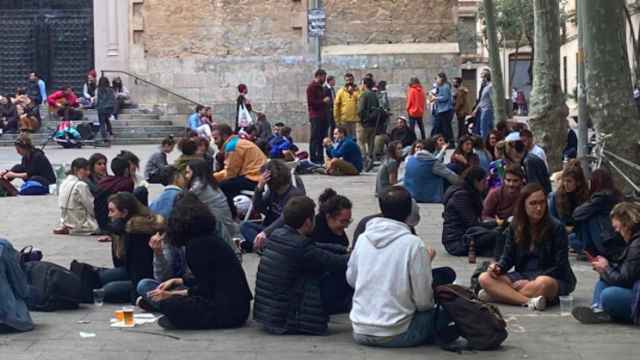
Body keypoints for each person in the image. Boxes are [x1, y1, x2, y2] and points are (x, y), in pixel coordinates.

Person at [348, 186, 457, 348]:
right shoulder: (413, 244)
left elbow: (351, 279)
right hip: (396, 333)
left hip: (359, 329)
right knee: (452, 306)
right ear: (410, 211)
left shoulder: (364, 238)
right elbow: (423, 302)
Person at [145, 193, 252, 330]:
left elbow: (204, 289)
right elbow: (208, 279)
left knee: (169, 304)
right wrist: (179, 281)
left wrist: (171, 295)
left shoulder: (196, 247)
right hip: (235, 304)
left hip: (228, 310)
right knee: (161, 296)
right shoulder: (208, 238)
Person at [253, 196, 351, 335]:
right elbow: (334, 261)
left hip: (268, 313)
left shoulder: (277, 234)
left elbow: (317, 247)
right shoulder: (301, 246)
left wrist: (340, 249)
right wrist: (359, 255)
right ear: (307, 222)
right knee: (339, 273)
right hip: (286, 317)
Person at [478, 183, 577, 311]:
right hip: (521, 275)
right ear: (523, 205)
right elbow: (508, 258)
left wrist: (530, 281)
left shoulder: (556, 228)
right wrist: (498, 268)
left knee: (542, 283)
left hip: (552, 277)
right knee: (484, 278)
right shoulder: (515, 225)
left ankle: (499, 295)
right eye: (533, 203)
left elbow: (560, 266)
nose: (539, 208)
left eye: (542, 203)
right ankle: (529, 301)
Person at [572, 202, 640, 324]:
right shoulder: (634, 241)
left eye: (617, 227)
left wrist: (606, 268)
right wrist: (606, 268)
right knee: (603, 282)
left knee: (608, 295)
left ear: (627, 223)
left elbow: (625, 279)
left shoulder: (637, 244)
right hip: (634, 287)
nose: (617, 231)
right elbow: (629, 271)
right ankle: (598, 310)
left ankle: (602, 310)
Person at [96, 192, 164, 303]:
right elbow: (119, 262)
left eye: (112, 211)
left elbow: (141, 269)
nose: (109, 215)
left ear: (124, 213)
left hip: (144, 277)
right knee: (98, 278)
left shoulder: (137, 232)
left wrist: (135, 296)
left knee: (106, 290)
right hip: (130, 270)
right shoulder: (123, 228)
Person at [240, 159, 306, 252]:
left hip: (284, 230)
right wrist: (259, 188)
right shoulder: (272, 190)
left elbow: (284, 218)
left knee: (282, 237)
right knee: (244, 225)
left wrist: (265, 233)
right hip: (269, 228)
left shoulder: (295, 194)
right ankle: (264, 246)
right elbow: (258, 208)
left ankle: (260, 246)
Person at [213, 124, 267, 215]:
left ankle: (232, 215)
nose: (214, 142)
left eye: (216, 138)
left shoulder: (232, 146)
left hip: (254, 178)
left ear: (224, 136)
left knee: (221, 186)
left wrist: (211, 178)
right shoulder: (238, 142)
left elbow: (230, 173)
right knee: (230, 184)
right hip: (258, 176)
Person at [573, 169, 625, 258]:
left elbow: (577, 214)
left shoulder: (601, 197)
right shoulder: (615, 194)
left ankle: (589, 250)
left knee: (586, 217)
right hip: (616, 239)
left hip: (606, 242)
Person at [186, 159, 237, 247]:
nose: (186, 175)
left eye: (188, 172)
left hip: (220, 230)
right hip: (227, 226)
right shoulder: (210, 183)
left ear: (195, 172)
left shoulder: (198, 185)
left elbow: (183, 202)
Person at [442, 167, 491, 256]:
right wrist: (496, 223)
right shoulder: (461, 196)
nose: (486, 185)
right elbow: (473, 223)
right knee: (495, 234)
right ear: (476, 182)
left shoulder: (470, 192)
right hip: (456, 242)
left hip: (465, 236)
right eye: (484, 182)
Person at [548, 160, 590, 252]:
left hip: (577, 233)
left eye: (569, 181)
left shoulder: (585, 197)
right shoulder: (556, 196)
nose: (565, 184)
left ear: (578, 182)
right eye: (564, 181)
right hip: (561, 231)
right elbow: (552, 219)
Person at [403, 138, 460, 203]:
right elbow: (451, 176)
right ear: (434, 149)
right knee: (450, 170)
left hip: (411, 194)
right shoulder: (432, 162)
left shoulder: (410, 159)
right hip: (428, 197)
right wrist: (463, 184)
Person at [53, 158, 98, 235]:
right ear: (75, 169)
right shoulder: (81, 185)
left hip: (65, 219)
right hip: (79, 221)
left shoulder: (64, 182)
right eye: (85, 170)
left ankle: (67, 226)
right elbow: (90, 206)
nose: (88, 173)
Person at [94, 155, 135, 231]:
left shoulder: (104, 181)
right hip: (114, 224)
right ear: (126, 170)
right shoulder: (127, 182)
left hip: (101, 223)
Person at [307, 69, 331, 164]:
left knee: (322, 137)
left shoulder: (321, 87)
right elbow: (311, 103)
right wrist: (323, 101)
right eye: (324, 77)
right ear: (319, 76)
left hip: (323, 115)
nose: (325, 79)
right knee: (315, 137)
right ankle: (313, 158)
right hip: (315, 116)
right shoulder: (311, 87)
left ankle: (320, 158)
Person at [357, 77, 380, 171]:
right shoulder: (374, 95)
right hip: (373, 123)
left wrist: (362, 118)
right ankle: (371, 159)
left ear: (365, 85)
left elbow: (361, 109)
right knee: (371, 143)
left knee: (361, 142)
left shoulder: (364, 95)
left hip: (365, 123)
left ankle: (365, 160)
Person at [429, 73, 454, 144]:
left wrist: (435, 98)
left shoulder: (445, 86)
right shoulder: (440, 87)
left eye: (437, 78)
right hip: (440, 110)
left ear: (441, 78)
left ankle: (450, 142)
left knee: (446, 128)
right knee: (439, 127)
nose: (436, 80)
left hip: (445, 110)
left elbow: (445, 97)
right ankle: (434, 141)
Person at [471, 69, 494, 139]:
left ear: (486, 78)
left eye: (482, 77)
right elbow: (481, 100)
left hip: (487, 110)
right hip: (483, 109)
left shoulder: (490, 87)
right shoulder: (485, 87)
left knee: (485, 129)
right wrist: (475, 109)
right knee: (482, 129)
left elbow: (492, 99)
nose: (481, 79)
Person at [95, 76, 116, 143]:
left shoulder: (98, 90)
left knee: (102, 123)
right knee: (107, 120)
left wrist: (96, 106)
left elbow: (96, 100)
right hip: (108, 108)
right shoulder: (110, 90)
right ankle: (110, 132)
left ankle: (104, 137)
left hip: (101, 108)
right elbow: (113, 99)